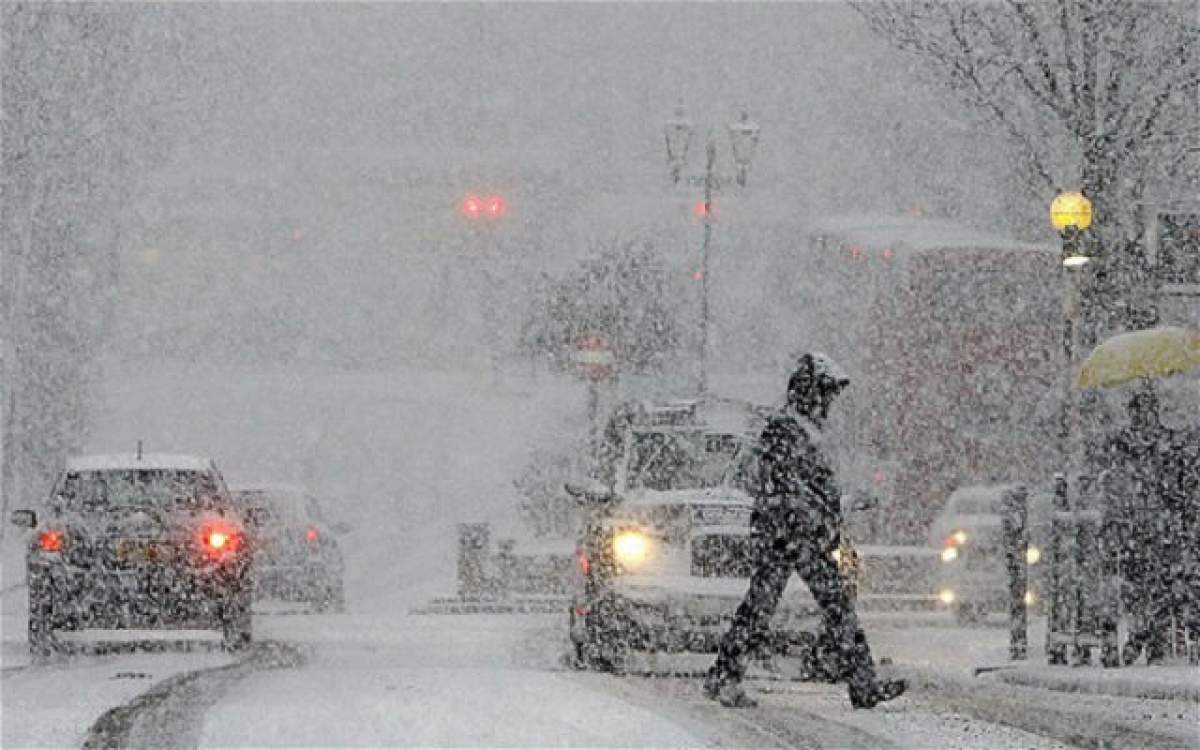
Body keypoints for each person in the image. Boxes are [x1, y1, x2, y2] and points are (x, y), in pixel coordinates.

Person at [703, 353, 907, 708]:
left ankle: (725, 674)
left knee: (768, 606)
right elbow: (787, 487)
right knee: (829, 606)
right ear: (811, 393)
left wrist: (838, 505)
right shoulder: (785, 429)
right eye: (826, 394)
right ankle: (861, 683)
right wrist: (812, 519)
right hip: (792, 534)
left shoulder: (801, 430)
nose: (829, 403)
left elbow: (806, 490)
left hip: (794, 533)